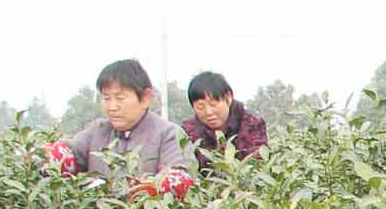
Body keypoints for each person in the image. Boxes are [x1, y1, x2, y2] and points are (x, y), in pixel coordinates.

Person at [44, 59, 195, 199]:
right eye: (106, 98)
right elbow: (67, 156)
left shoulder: (169, 134)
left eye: (120, 98)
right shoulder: (97, 131)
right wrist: (46, 157)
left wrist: (147, 188)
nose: (112, 107)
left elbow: (180, 178)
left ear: (145, 98)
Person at [180, 71, 269, 173]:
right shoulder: (187, 132)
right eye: (200, 107)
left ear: (229, 97)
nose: (208, 112)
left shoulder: (252, 124)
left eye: (213, 104)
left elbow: (257, 164)